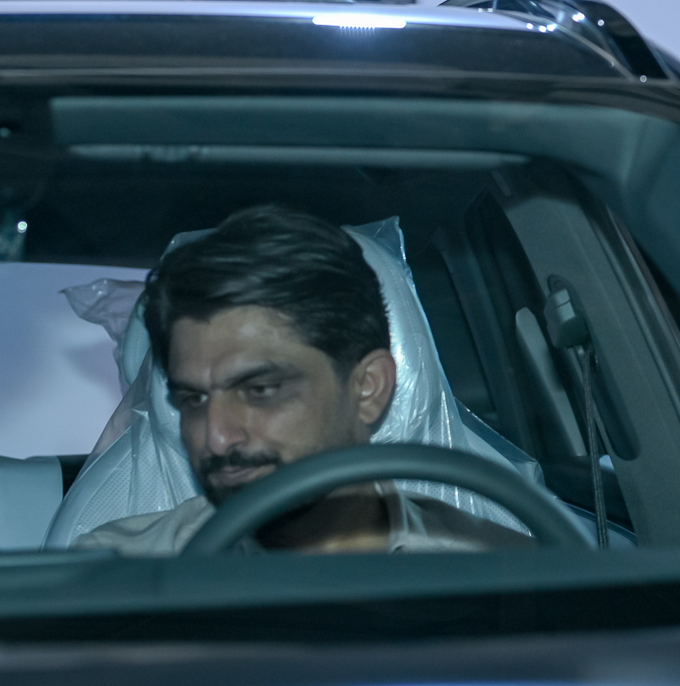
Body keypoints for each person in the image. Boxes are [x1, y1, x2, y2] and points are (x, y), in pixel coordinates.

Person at [76, 205, 533, 556]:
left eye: (260, 390)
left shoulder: (505, 575)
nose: (216, 438)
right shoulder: (117, 576)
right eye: (193, 399)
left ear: (368, 387)